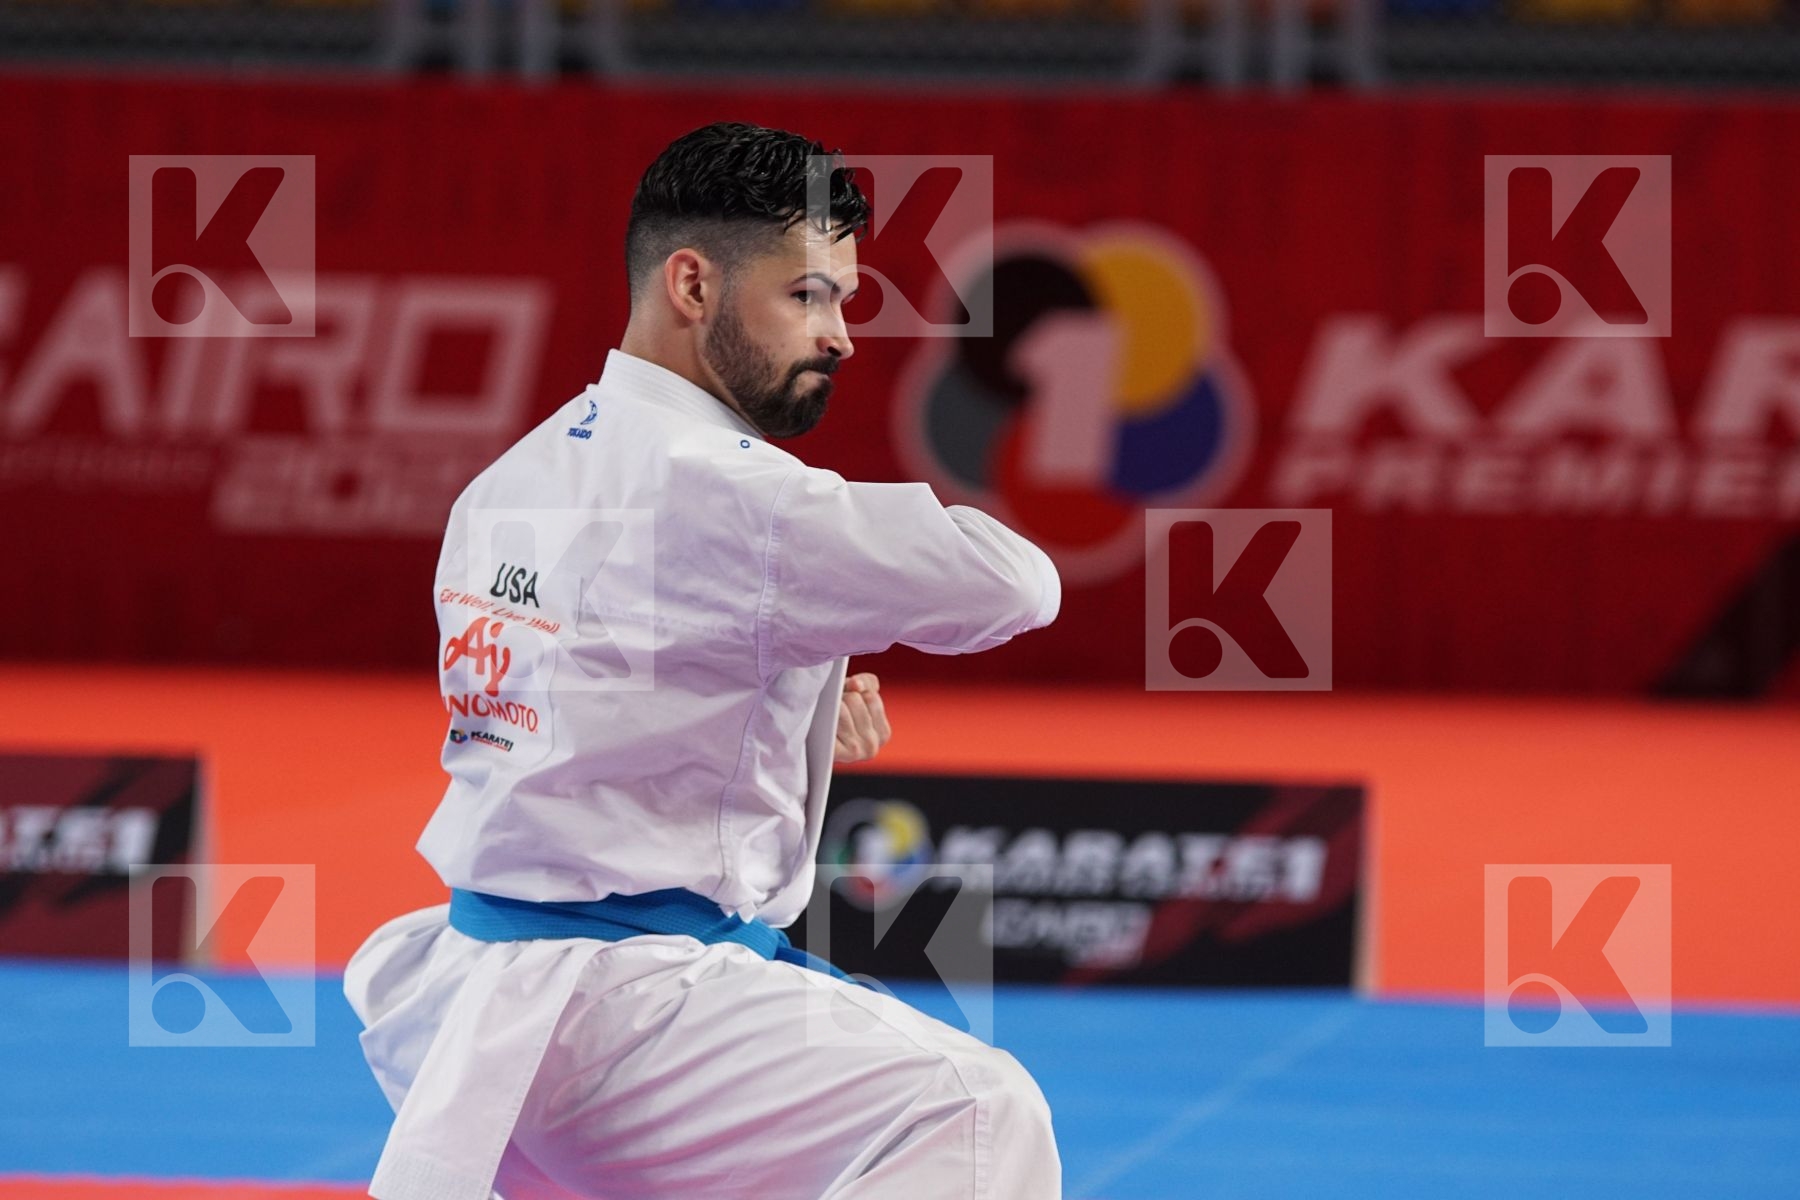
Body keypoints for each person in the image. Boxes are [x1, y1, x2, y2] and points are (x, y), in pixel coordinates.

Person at [344, 121, 1064, 1200]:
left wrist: (793, 687)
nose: (841, 337)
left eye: (845, 302)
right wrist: (809, 615)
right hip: (619, 1015)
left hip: (471, 1000)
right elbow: (1016, 585)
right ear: (692, 284)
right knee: (975, 1108)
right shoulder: (739, 491)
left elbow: (587, 693)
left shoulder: (511, 477)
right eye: (809, 296)